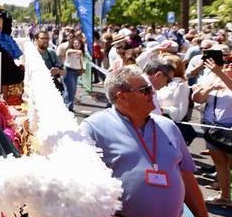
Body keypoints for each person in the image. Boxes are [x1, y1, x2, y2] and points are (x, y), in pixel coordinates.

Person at [81, 67, 207, 217]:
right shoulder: (93, 128)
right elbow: (81, 184)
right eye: (145, 90)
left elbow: (186, 175)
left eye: (151, 89)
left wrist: (202, 215)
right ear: (122, 97)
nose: (153, 93)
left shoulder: (168, 126)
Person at [192, 53, 232, 206]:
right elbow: (198, 99)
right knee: (220, 163)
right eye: (227, 62)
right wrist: (210, 87)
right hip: (212, 128)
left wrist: (219, 73)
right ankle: (225, 196)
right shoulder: (215, 79)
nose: (230, 65)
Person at [60, 37, 85, 111]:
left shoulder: (80, 52)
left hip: (76, 72)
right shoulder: (70, 51)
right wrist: (78, 51)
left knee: (73, 90)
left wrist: (81, 69)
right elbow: (69, 51)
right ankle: (67, 107)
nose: (76, 44)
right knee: (69, 90)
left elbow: (81, 62)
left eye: (78, 43)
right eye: (75, 43)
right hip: (68, 71)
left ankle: (68, 107)